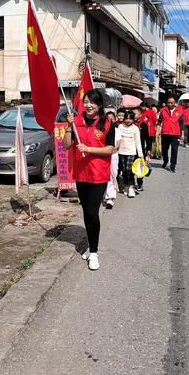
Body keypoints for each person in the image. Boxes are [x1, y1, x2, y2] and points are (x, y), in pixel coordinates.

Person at [63, 89, 115, 271]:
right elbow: (66, 145)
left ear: (99, 105)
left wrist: (89, 149)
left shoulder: (107, 124)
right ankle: (90, 245)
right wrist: (69, 126)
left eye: (92, 102)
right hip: (81, 174)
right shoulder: (76, 122)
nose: (88, 105)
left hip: (98, 174)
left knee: (92, 212)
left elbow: (110, 149)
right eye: (85, 102)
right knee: (86, 211)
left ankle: (94, 252)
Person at [118, 110, 144, 198]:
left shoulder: (135, 128)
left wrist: (140, 154)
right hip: (121, 151)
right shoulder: (120, 127)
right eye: (126, 118)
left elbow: (138, 142)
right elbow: (117, 139)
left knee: (130, 169)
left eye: (130, 119)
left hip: (131, 152)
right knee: (124, 170)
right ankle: (125, 185)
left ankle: (131, 187)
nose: (128, 120)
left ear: (133, 120)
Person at [156, 96, 184, 173]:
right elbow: (159, 121)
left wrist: (182, 134)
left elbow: (181, 123)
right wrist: (157, 131)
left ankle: (173, 165)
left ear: (175, 103)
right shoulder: (163, 110)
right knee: (164, 150)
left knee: (175, 150)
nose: (170, 104)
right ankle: (165, 160)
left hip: (175, 133)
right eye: (168, 102)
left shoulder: (179, 111)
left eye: (172, 102)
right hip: (165, 133)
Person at [104, 111, 122, 209]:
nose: (110, 121)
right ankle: (105, 195)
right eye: (108, 119)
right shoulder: (102, 130)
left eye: (112, 119)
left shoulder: (117, 130)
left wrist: (110, 150)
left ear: (115, 120)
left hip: (113, 156)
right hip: (103, 156)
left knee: (112, 175)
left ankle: (110, 198)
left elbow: (118, 145)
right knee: (105, 176)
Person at [133, 106, 150, 191]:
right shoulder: (129, 124)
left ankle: (140, 183)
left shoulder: (144, 125)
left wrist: (148, 149)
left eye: (135, 113)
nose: (133, 115)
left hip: (141, 150)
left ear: (140, 115)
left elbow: (148, 138)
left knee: (140, 167)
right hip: (130, 149)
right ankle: (131, 184)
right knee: (130, 167)